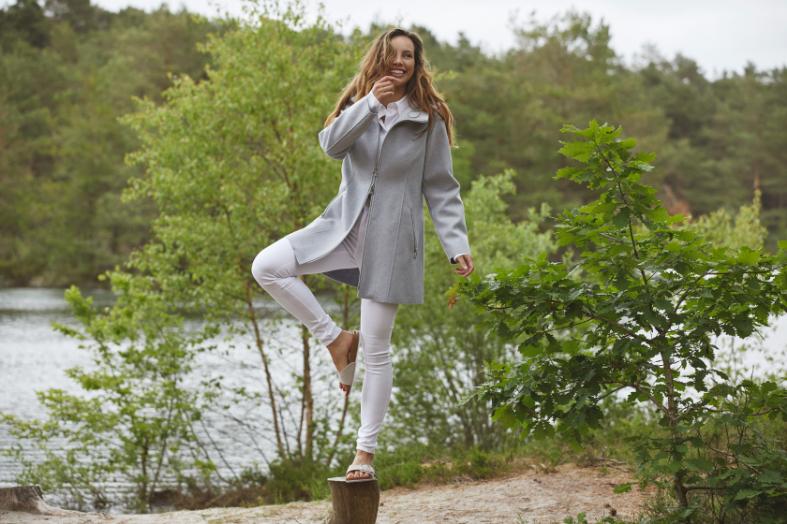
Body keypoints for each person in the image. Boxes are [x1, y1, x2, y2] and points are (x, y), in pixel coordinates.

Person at [251, 27, 474, 482]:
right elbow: (331, 146)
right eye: (393, 54)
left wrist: (456, 245)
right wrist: (370, 103)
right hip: (343, 228)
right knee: (267, 267)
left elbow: (440, 187)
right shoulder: (359, 103)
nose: (400, 61)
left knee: (377, 350)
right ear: (379, 59)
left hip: (393, 242)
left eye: (408, 55)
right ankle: (336, 340)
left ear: (416, 64)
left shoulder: (428, 118)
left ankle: (364, 453)